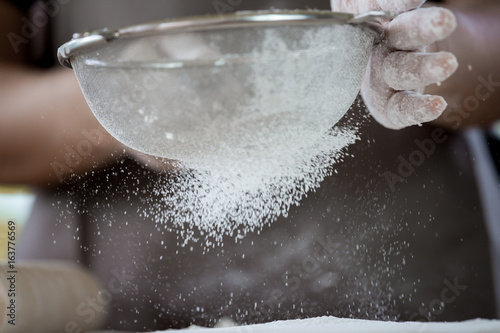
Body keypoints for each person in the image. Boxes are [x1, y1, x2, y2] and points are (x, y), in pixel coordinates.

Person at [0, 0, 499, 331]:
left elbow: (489, 35)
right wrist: (125, 95)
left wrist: (435, 51)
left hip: (404, 282)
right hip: (107, 294)